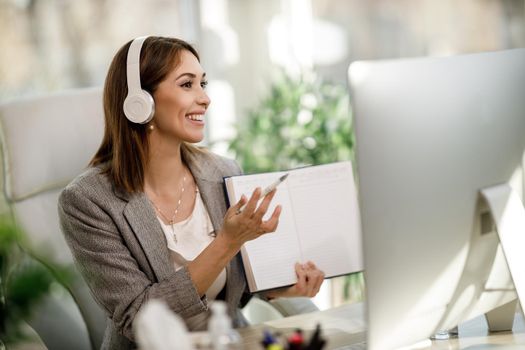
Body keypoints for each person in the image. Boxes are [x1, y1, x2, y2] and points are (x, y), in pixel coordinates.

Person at [58, 36, 325, 350]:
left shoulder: (223, 172)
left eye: (204, 84)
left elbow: (234, 290)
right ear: (140, 102)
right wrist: (227, 241)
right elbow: (140, 317)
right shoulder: (88, 201)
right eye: (187, 85)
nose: (205, 98)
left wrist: (279, 286)